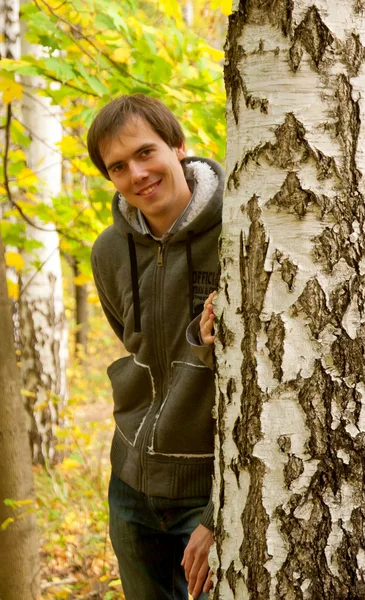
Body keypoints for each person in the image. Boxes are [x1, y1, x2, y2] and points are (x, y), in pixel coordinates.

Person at [88, 94, 223, 600]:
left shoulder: (241, 228)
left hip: (207, 493)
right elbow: (130, 338)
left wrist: (220, 512)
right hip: (131, 485)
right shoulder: (108, 251)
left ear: (178, 146)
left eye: (146, 153)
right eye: (118, 167)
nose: (137, 173)